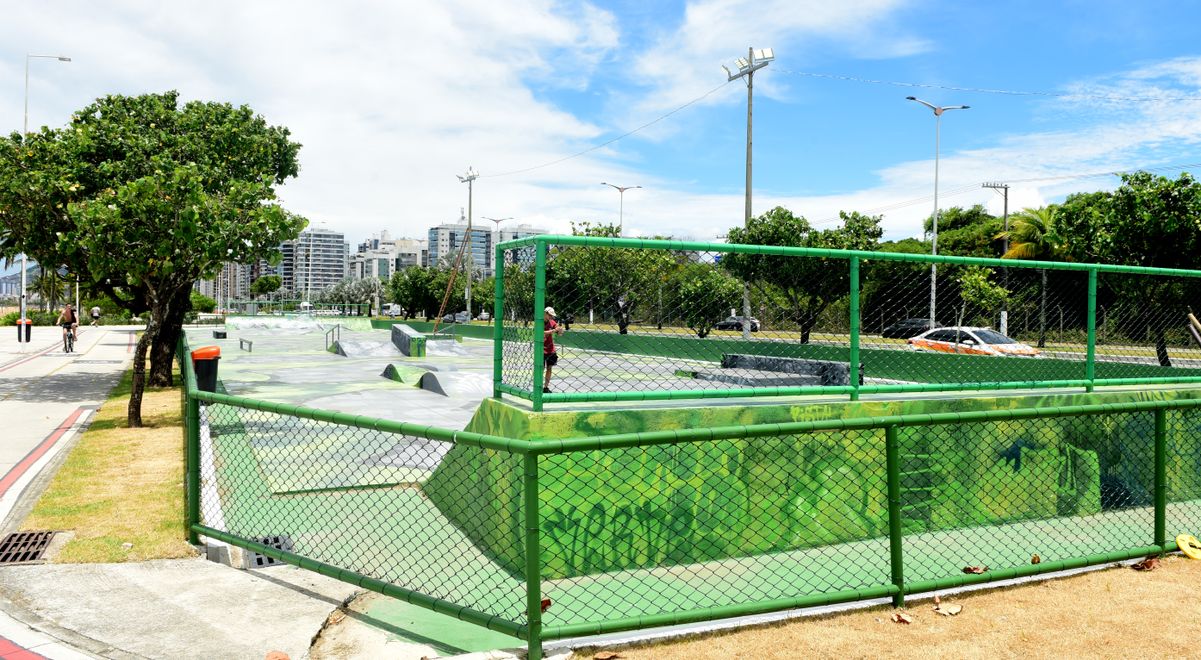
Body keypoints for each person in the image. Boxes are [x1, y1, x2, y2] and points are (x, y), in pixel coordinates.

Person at [542, 306, 566, 393]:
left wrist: (560, 329)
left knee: (549, 368)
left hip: (550, 349)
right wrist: (553, 331)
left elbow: (560, 333)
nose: (551, 317)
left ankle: (546, 387)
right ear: (545, 313)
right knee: (540, 368)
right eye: (550, 315)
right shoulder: (539, 322)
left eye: (552, 316)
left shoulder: (552, 322)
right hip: (541, 349)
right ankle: (538, 386)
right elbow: (541, 333)